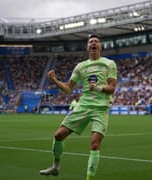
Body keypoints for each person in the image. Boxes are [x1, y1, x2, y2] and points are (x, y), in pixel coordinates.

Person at [39, 34, 117, 180]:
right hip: (83, 106)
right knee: (58, 135)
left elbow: (112, 88)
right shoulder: (81, 66)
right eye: (91, 42)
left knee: (94, 144)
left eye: (96, 42)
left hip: (101, 108)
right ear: (87, 47)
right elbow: (69, 88)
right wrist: (54, 80)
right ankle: (55, 167)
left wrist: (98, 88)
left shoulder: (109, 63)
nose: (93, 43)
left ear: (100, 46)